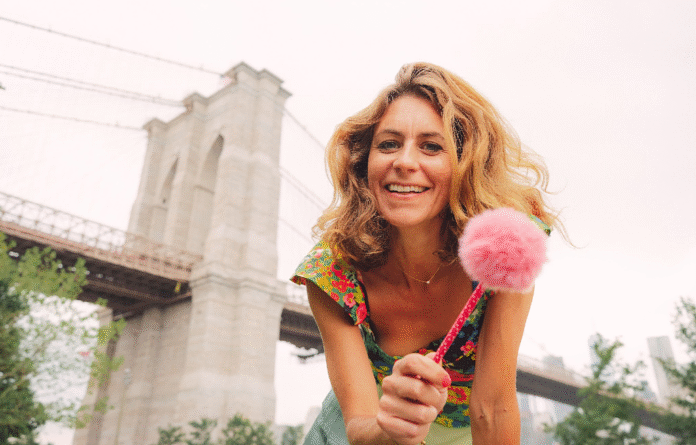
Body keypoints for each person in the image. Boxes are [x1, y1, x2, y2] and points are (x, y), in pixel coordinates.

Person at [292, 62, 560, 445]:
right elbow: (359, 426)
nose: (404, 162)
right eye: (388, 144)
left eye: (431, 146)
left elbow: (492, 408)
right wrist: (391, 427)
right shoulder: (332, 270)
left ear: (466, 163)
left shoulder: (502, 248)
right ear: (365, 162)